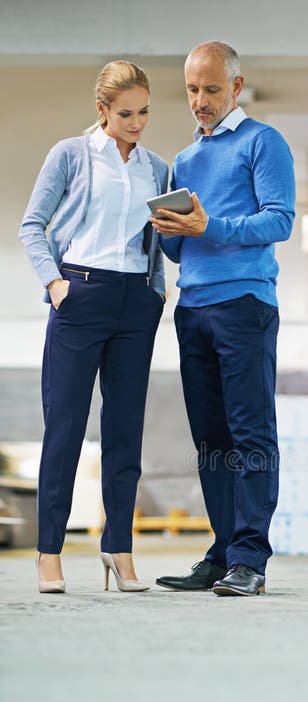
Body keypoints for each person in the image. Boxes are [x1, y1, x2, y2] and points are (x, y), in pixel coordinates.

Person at [19, 60, 169, 594]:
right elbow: (32, 225)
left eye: (145, 111)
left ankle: (119, 549)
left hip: (135, 302)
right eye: (126, 113)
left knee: (125, 433)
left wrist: (157, 282)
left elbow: (165, 245)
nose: (137, 122)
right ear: (102, 110)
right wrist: (56, 285)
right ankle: (49, 552)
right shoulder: (71, 155)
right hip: (79, 294)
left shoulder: (157, 167)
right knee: (65, 428)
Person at [153, 41, 295, 597]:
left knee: (251, 433)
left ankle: (250, 560)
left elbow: (278, 221)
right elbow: (181, 251)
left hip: (245, 306)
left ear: (236, 87)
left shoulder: (264, 142)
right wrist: (167, 233)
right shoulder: (184, 162)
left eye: (212, 89)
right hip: (192, 309)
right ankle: (221, 553)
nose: (200, 101)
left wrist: (206, 227)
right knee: (211, 439)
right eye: (192, 90)